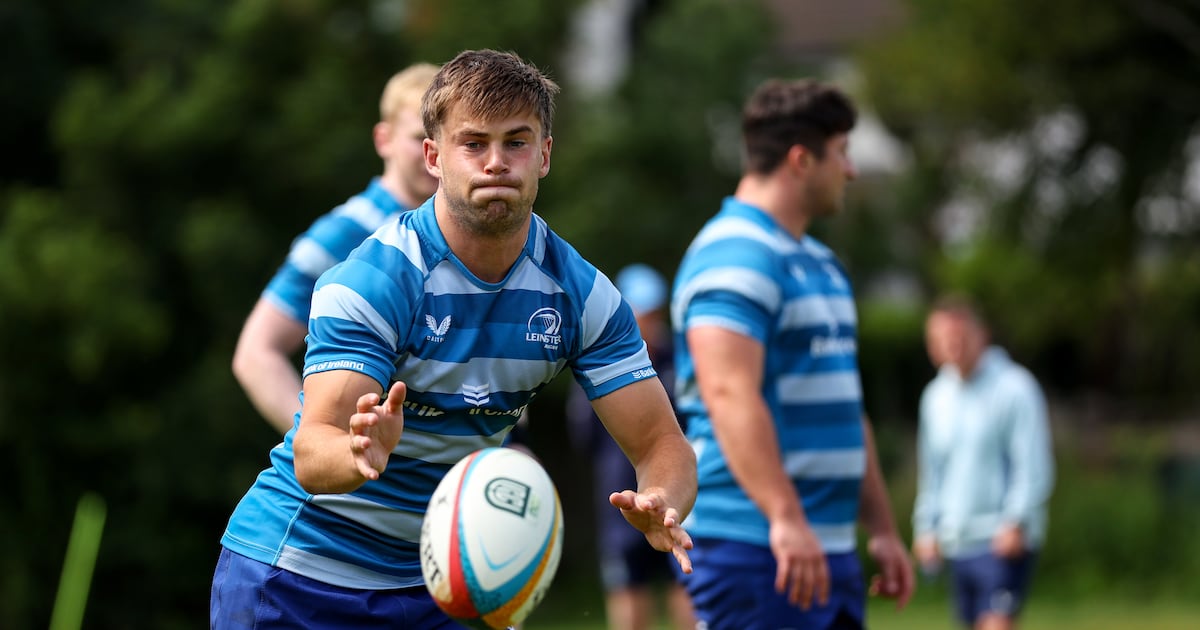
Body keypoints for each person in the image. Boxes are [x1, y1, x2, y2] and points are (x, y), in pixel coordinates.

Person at [211, 49, 697, 629]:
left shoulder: (583, 297)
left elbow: (661, 442)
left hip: (438, 581)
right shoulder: (376, 279)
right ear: (434, 156)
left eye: (516, 142)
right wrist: (356, 451)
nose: (496, 162)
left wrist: (662, 496)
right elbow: (313, 452)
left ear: (544, 155)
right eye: (474, 143)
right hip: (302, 576)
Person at [669, 78, 915, 629]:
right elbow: (729, 393)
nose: (850, 171)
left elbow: (847, 408)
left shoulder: (822, 264)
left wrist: (880, 528)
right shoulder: (733, 252)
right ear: (802, 160)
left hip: (824, 546)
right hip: (757, 545)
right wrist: (784, 516)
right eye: (842, 154)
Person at [231, 62, 441, 434]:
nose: (432, 152)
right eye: (418, 137)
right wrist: (324, 441)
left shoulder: (467, 232)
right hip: (378, 479)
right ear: (384, 139)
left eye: (444, 138)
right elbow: (255, 354)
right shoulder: (344, 232)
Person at [912, 296, 1055, 630]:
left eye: (959, 338)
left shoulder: (1015, 388)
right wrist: (926, 528)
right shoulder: (935, 398)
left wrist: (1016, 520)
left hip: (1001, 538)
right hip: (957, 539)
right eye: (942, 341)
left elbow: (1032, 463)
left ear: (981, 335)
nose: (952, 348)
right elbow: (932, 473)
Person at [566, 263, 695, 630]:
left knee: (684, 586)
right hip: (619, 501)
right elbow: (584, 436)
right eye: (642, 311)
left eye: (654, 311)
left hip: (671, 500)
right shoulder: (598, 364)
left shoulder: (676, 360)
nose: (649, 319)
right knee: (628, 592)